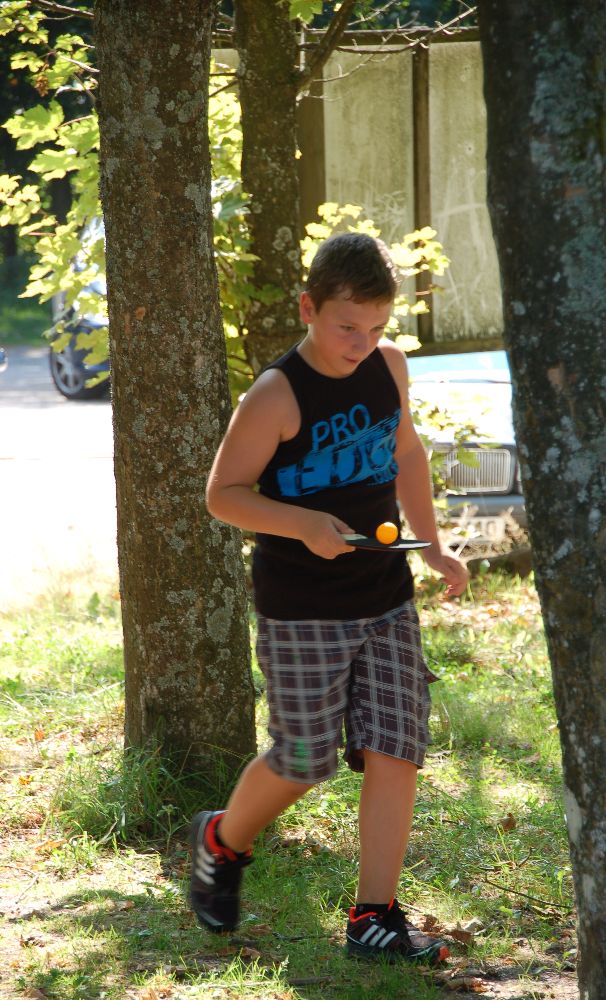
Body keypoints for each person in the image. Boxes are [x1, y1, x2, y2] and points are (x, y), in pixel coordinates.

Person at [189, 232, 469, 962]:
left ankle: (374, 916)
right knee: (304, 759)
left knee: (395, 747)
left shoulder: (388, 366)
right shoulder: (276, 395)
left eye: (376, 328)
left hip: (385, 595)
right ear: (308, 308)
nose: (361, 343)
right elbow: (223, 495)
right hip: (302, 606)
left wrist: (431, 544)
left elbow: (406, 453)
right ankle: (222, 839)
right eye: (347, 326)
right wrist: (304, 523)